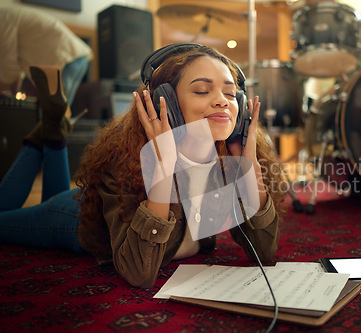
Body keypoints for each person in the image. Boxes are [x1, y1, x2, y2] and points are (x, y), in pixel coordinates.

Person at [0, 43, 286, 288]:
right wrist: (163, 169)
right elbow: (139, 272)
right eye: (201, 90)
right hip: (74, 217)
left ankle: (51, 130)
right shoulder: (126, 164)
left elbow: (263, 250)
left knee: (49, 187)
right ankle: (50, 131)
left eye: (230, 92)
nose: (222, 101)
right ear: (168, 104)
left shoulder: (229, 163)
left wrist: (251, 170)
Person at [0, 5, 92, 106]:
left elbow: (10, 70)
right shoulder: (6, 16)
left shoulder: (3, 19)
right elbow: (14, 69)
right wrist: (14, 97)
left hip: (66, 57)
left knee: (56, 110)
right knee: (58, 110)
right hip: (72, 57)